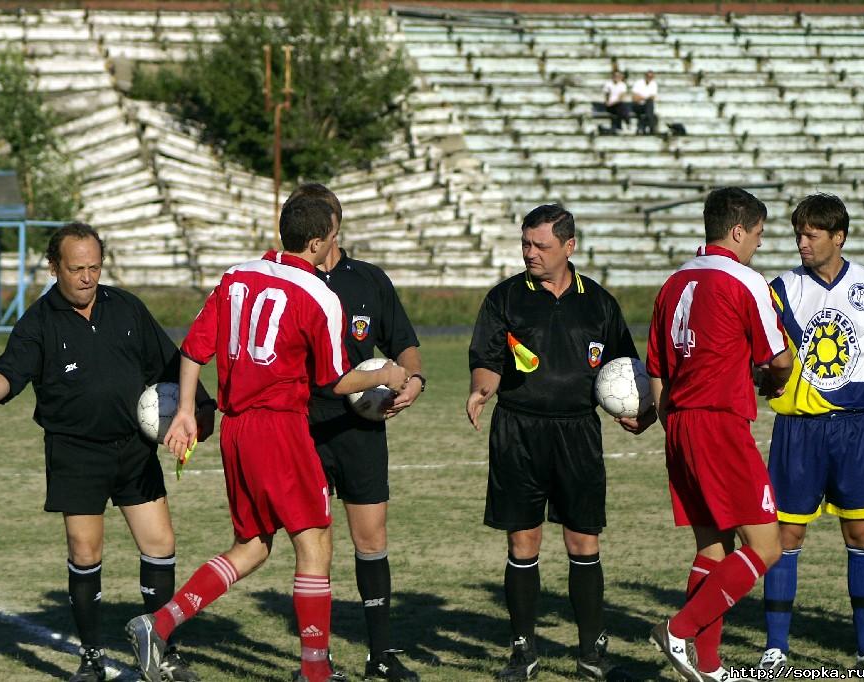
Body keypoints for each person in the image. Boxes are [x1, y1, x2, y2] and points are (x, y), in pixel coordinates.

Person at [125, 193, 409, 682]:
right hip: (280, 427)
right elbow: (334, 381)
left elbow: (194, 350)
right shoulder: (321, 295)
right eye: (332, 236)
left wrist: (188, 411)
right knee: (315, 539)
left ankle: (159, 622)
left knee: (253, 545)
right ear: (318, 242)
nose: (335, 243)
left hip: (236, 429)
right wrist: (387, 372)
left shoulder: (236, 276)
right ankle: (315, 672)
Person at [0, 222, 214, 682]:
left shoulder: (126, 308)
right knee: (85, 552)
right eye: (77, 268)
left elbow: (171, 362)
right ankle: (91, 658)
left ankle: (162, 651)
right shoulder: (39, 322)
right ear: (53, 267)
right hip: (74, 452)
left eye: (94, 267)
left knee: (160, 545)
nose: (87, 277)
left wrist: (199, 409)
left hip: (133, 450)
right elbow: (9, 371)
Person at [466, 204, 653, 681]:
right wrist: (481, 389)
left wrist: (642, 413)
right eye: (526, 244)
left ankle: (592, 653)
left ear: (569, 247)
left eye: (540, 245)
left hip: (578, 432)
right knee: (523, 540)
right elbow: (486, 357)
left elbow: (627, 372)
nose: (530, 253)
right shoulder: (505, 298)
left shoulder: (600, 303)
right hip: (518, 430)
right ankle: (523, 651)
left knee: (583, 540)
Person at [646, 187, 793, 682]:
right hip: (719, 423)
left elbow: (658, 373)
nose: (757, 244)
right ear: (737, 231)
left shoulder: (672, 282)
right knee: (767, 545)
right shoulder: (745, 280)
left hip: (680, 424)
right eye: (757, 234)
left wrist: (671, 422)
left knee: (713, 548)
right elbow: (780, 359)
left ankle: (707, 665)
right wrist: (770, 382)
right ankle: (679, 630)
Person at [290, 183, 424, 681]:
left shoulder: (368, 280)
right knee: (314, 547)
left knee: (371, 539)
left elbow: (405, 344)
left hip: (361, 430)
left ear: (332, 231)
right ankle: (317, 661)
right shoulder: (287, 283)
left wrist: (416, 380)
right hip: (304, 430)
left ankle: (380, 655)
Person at [758, 194, 864, 674]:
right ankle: (776, 648)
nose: (801, 243)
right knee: (786, 535)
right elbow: (759, 355)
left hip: (857, 429)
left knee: (862, 532)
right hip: (798, 430)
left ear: (838, 236)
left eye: (811, 235)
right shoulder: (780, 290)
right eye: (798, 234)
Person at [630, 71, 658, 135]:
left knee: (650, 105)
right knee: (650, 110)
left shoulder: (654, 84)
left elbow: (653, 97)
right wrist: (646, 98)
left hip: (646, 106)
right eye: (648, 76)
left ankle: (643, 128)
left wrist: (641, 97)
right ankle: (651, 127)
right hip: (637, 105)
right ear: (645, 76)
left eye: (651, 77)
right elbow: (635, 98)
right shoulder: (638, 83)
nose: (649, 78)